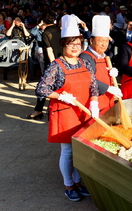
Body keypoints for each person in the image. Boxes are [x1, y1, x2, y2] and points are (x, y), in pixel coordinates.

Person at [35, 15, 98, 201]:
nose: (75, 47)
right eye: (71, 43)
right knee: (69, 150)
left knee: (81, 149)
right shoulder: (56, 65)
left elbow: (93, 85)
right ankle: (68, 184)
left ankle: (78, 181)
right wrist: (61, 96)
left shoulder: (85, 62)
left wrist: (94, 102)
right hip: (65, 113)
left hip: (83, 112)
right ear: (63, 44)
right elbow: (41, 89)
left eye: (78, 43)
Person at [79, 15, 123, 114]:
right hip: (93, 102)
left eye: (106, 41)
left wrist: (111, 73)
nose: (104, 44)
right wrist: (108, 88)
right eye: (101, 41)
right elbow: (88, 78)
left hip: (107, 100)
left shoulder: (105, 57)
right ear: (91, 40)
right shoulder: (85, 57)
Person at [26, 11, 62, 120]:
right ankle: (51, 110)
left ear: (44, 21)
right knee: (57, 86)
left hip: (51, 62)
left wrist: (52, 65)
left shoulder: (46, 32)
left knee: (44, 86)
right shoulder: (60, 30)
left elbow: (49, 49)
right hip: (62, 60)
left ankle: (38, 111)